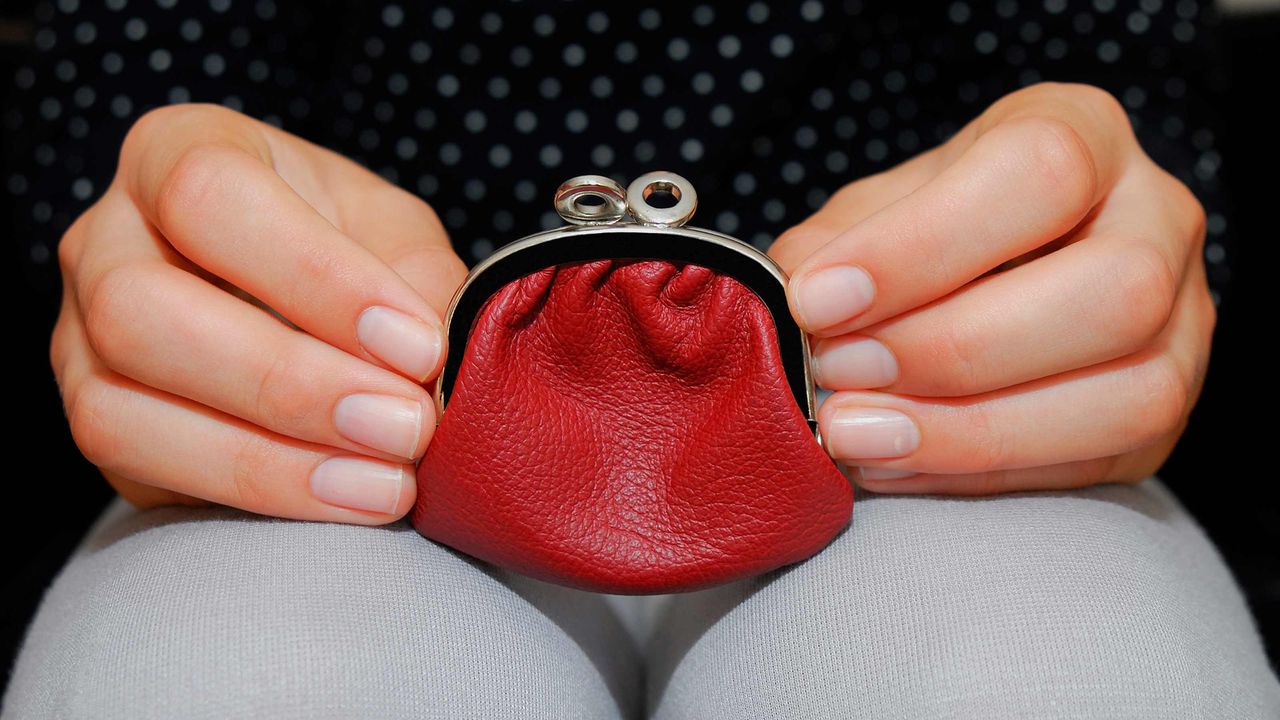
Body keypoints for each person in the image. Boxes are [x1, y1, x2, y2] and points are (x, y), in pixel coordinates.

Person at [4, 2, 1277, 717]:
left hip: (928, 417)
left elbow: (1116, 91)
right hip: (329, 422)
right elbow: (141, 88)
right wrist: (172, 238)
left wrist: (1094, 240)